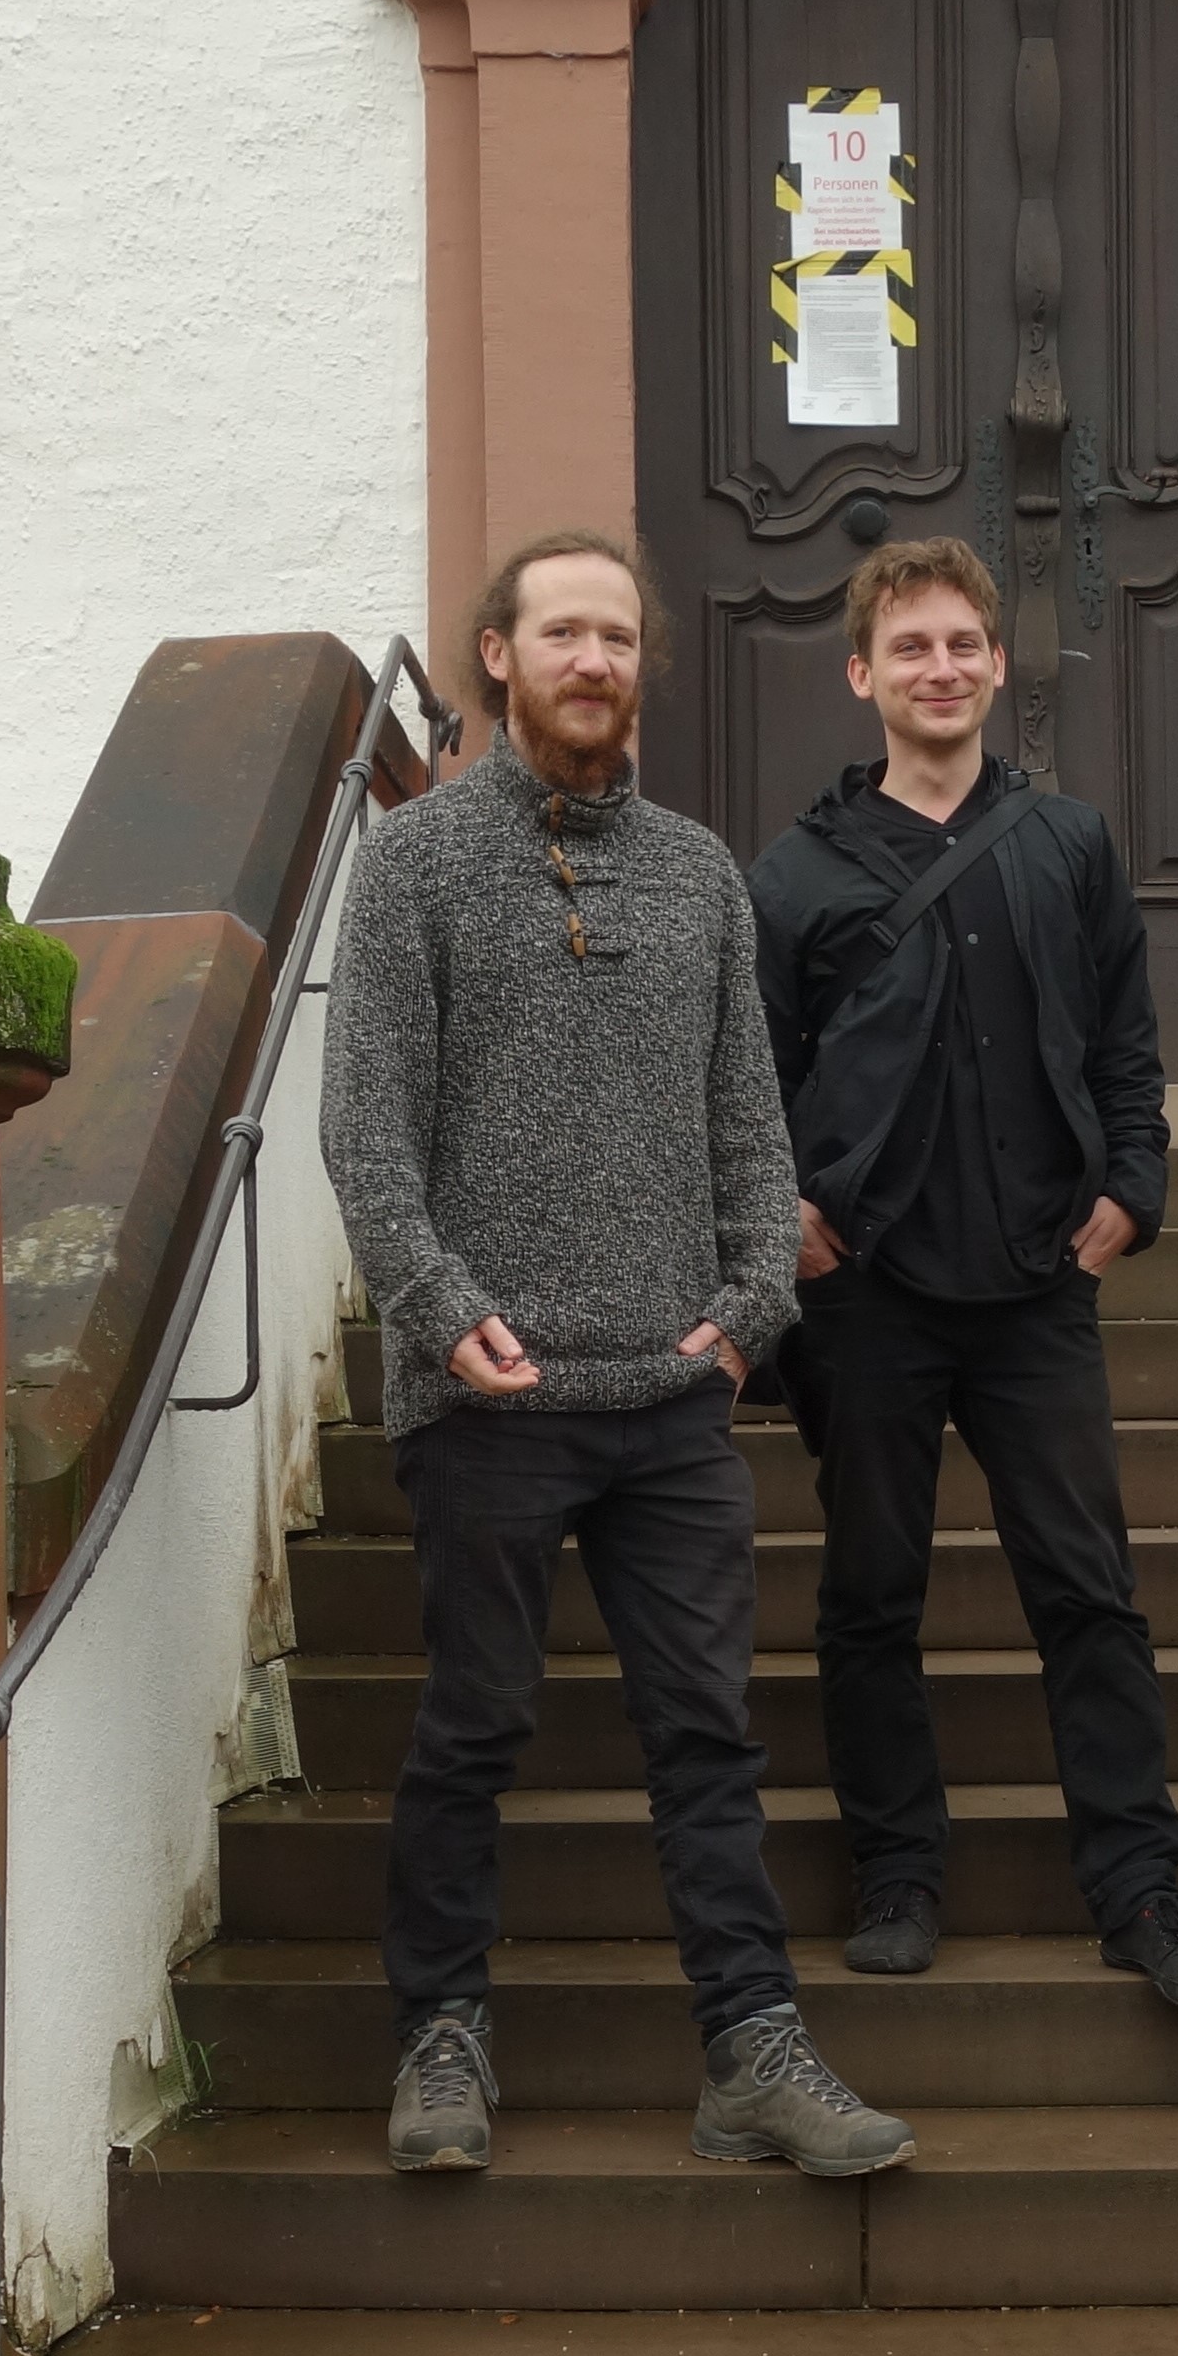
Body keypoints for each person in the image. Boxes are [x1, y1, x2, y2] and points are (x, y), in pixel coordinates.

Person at [322, 526, 914, 2181]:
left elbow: (751, 1127)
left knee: (707, 1739)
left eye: (619, 637)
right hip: (488, 1394)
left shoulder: (702, 874)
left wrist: (753, 1304)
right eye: (563, 633)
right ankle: (441, 2037)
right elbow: (366, 1131)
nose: (596, 661)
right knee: (473, 1725)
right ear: (497, 656)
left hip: (671, 1395)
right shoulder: (416, 866)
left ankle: (753, 2051)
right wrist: (440, 1310)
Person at [749, 537, 1178, 2010]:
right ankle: (897, 1876)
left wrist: (1134, 1190)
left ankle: (1141, 1891)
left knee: (1088, 1591)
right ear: (863, 674)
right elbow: (747, 1081)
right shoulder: (793, 875)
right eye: (911, 647)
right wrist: (782, 1213)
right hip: (867, 1293)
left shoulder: (1069, 845)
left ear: (997, 664)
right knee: (871, 1594)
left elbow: (1126, 1045)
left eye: (963, 643)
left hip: (1036, 1287)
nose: (942, 668)